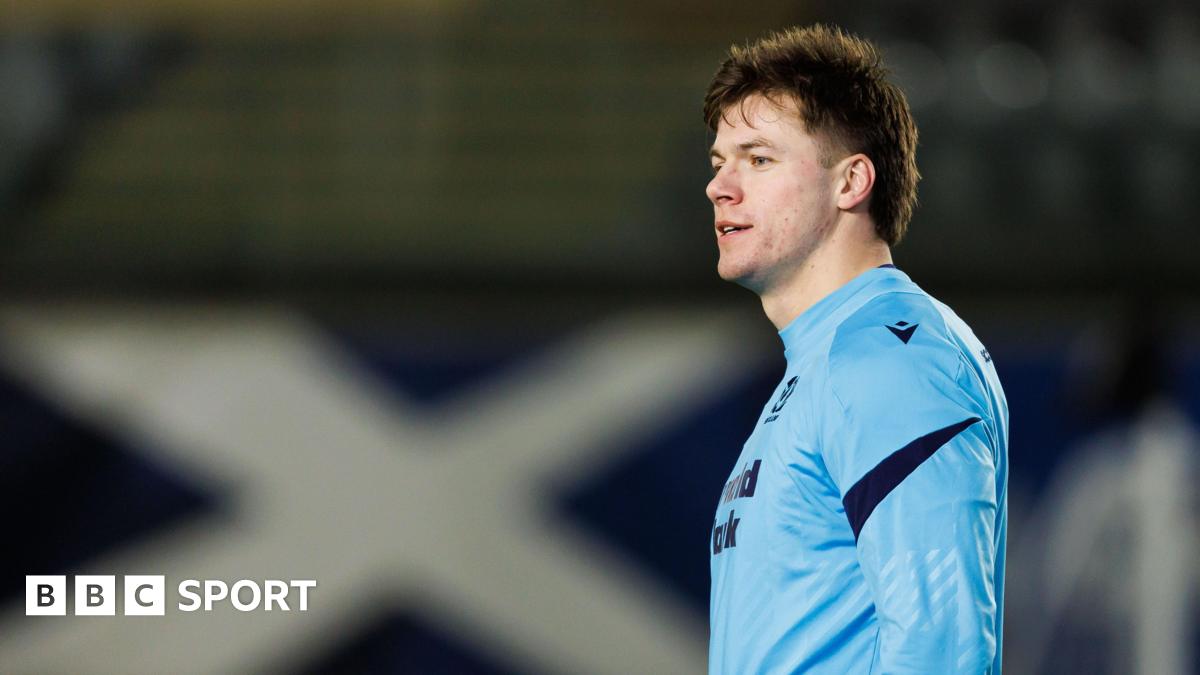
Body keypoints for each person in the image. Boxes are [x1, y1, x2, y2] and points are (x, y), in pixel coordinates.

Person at [704, 25, 1008, 674]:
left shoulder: (887, 359)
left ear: (851, 183)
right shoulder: (832, 361)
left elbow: (944, 653)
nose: (721, 187)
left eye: (757, 159)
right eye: (718, 162)